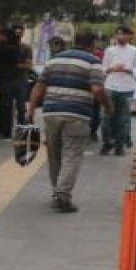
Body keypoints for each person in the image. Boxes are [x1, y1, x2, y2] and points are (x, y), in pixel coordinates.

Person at [26, 31, 108, 213]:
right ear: (92, 43)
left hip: (51, 112)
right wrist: (108, 107)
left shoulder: (55, 60)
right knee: (72, 154)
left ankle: (57, 191)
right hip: (77, 114)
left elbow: (39, 86)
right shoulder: (93, 61)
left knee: (54, 154)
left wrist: (31, 108)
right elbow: (97, 88)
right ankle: (62, 195)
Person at [101, 26, 136, 156]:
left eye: (124, 35)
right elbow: (103, 69)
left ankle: (120, 145)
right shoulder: (109, 50)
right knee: (107, 117)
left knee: (124, 119)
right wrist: (113, 68)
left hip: (128, 88)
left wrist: (127, 70)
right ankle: (107, 143)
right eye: (119, 34)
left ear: (130, 36)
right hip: (110, 86)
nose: (121, 37)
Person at [0, 28, 23, 138]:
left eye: (1, 35)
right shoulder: (3, 46)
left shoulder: (12, 48)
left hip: (9, 80)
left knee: (6, 106)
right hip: (1, 79)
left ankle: (6, 132)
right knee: (1, 106)